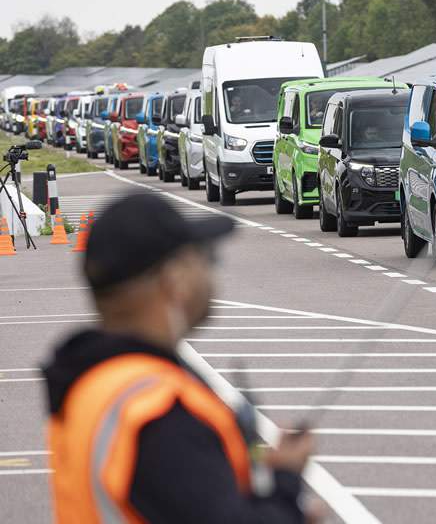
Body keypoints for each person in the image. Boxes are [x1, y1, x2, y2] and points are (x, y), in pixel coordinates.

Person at [42, 193, 318, 523]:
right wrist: (286, 487)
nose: (212, 272)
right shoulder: (157, 410)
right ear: (175, 280)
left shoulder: (92, 382)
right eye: (206, 258)